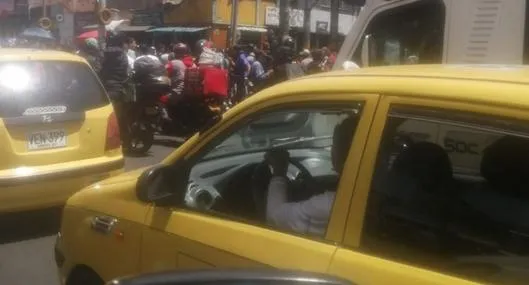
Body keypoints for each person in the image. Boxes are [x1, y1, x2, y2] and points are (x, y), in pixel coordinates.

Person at [265, 115, 358, 236]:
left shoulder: (332, 205)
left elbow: (274, 217)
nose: (332, 150)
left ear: (345, 155)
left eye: (334, 145)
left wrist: (279, 172)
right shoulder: (373, 193)